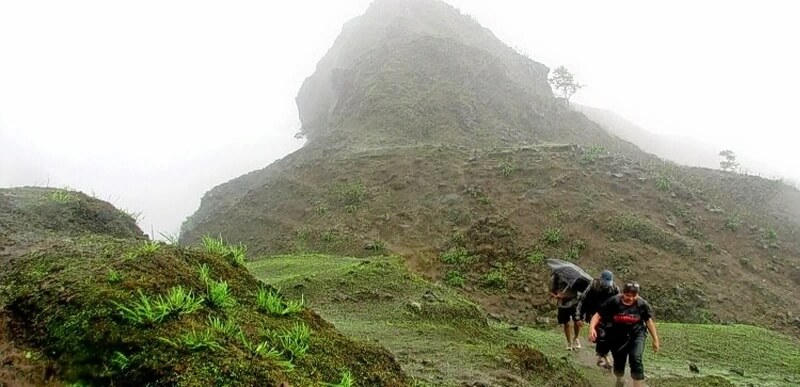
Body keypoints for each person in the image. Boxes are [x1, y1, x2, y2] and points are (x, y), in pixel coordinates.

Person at [589, 282, 661, 387]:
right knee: (619, 363)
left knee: (636, 358)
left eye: (633, 296)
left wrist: (655, 339)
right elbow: (597, 315)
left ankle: (637, 385)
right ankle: (620, 379)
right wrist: (592, 329)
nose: (630, 298)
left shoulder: (641, 304)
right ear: (623, 293)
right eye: (628, 295)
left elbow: (648, 321)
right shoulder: (614, 301)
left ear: (637, 294)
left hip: (637, 334)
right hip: (617, 335)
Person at [575, 270, 620, 369]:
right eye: (605, 282)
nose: (606, 285)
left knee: (609, 336)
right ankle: (605, 357)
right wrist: (579, 317)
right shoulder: (593, 285)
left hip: (608, 315)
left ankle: (601, 356)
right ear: (601, 280)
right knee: (600, 334)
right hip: (593, 313)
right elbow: (582, 300)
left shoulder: (614, 288)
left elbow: (620, 303)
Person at [549, 273, 582, 350]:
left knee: (577, 321)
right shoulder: (555, 277)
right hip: (562, 303)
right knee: (566, 323)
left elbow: (580, 290)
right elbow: (551, 291)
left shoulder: (574, 277)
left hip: (574, 301)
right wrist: (556, 295)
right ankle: (569, 342)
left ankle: (576, 338)